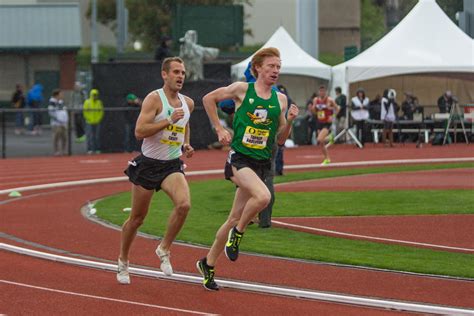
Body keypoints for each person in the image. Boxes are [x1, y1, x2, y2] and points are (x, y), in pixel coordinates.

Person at [196, 47, 299, 291]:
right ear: (258, 68)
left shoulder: (280, 99)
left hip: (261, 162)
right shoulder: (243, 89)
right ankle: (238, 234)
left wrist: (291, 120)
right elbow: (208, 99)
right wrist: (219, 129)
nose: (276, 70)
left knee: (232, 217)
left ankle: (207, 264)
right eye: (271, 66)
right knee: (263, 196)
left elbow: (281, 139)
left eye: (278, 66)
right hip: (239, 159)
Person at [117, 57, 195, 285]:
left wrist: (185, 144)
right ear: (165, 74)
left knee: (184, 205)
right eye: (176, 72)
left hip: (171, 165)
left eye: (183, 72)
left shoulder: (187, 102)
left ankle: (163, 248)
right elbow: (140, 131)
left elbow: (185, 123)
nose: (181, 76)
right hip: (149, 164)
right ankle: (123, 260)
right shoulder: (154, 99)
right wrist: (167, 121)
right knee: (137, 218)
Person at [312, 85, 339, 165]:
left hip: (327, 122)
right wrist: (314, 109)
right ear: (318, 92)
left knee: (320, 139)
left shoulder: (330, 100)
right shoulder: (316, 100)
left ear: (325, 92)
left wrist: (333, 116)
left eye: (323, 91)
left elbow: (337, 108)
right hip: (319, 122)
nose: (322, 93)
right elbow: (314, 111)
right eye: (320, 91)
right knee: (321, 142)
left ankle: (330, 138)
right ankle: (327, 158)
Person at [47, 89, 68, 156]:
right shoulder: (52, 102)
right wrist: (58, 119)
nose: (62, 95)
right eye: (60, 94)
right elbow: (51, 112)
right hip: (56, 123)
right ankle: (56, 151)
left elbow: (64, 110)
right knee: (56, 136)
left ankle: (64, 150)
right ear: (56, 95)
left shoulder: (61, 102)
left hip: (63, 122)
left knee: (64, 137)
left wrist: (65, 119)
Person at [83, 89, 104, 154]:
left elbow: (101, 112)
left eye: (96, 95)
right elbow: (85, 112)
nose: (95, 96)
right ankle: (90, 149)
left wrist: (98, 119)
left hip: (97, 122)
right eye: (93, 95)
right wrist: (88, 119)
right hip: (89, 122)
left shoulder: (99, 102)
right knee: (90, 136)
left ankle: (97, 148)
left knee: (97, 136)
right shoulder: (87, 102)